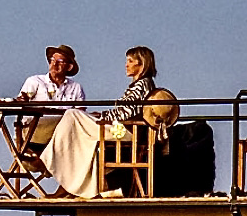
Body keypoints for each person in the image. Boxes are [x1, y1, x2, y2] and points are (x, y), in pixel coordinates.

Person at [41, 45, 161, 199]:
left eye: (130, 61)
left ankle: (48, 161)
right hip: (122, 129)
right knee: (80, 134)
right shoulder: (141, 84)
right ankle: (69, 185)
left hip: (126, 131)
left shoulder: (142, 85)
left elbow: (126, 113)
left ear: (141, 64)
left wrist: (103, 116)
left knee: (72, 115)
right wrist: (102, 115)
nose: (126, 64)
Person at [18, 45, 84, 106]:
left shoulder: (76, 87)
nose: (54, 64)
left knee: (73, 113)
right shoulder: (35, 81)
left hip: (65, 118)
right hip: (38, 118)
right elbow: (18, 104)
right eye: (52, 60)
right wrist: (22, 101)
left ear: (69, 67)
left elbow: (80, 111)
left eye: (60, 61)